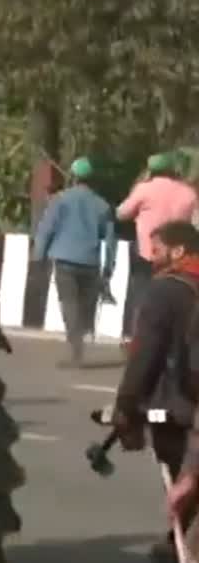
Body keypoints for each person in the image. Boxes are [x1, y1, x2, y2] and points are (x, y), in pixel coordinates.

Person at [111, 220, 199, 562]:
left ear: (178, 251)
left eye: (157, 249)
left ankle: (179, 547)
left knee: (184, 487)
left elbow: (144, 355)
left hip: (175, 406)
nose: (151, 257)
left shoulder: (165, 290)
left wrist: (126, 405)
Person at [32, 156, 117, 367]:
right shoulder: (103, 205)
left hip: (64, 260)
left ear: (72, 177)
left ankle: (75, 349)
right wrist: (108, 268)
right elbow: (111, 241)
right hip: (90, 262)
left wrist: (38, 256)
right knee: (85, 306)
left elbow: (46, 230)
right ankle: (79, 344)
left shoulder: (59, 200)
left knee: (69, 303)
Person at [118, 153, 198, 339]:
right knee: (175, 293)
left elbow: (122, 213)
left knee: (139, 293)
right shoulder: (189, 193)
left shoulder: (144, 189)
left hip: (146, 251)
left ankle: (133, 336)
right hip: (178, 255)